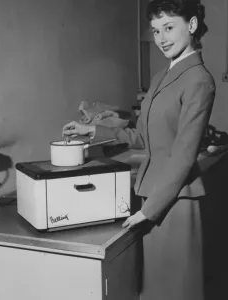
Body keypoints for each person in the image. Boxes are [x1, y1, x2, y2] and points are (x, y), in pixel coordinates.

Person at [63, 0, 215, 299]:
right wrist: (93, 130)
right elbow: (145, 136)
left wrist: (149, 209)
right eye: (156, 30)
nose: (161, 38)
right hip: (152, 193)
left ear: (193, 25)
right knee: (154, 287)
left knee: (175, 287)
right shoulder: (162, 77)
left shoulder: (199, 80)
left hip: (175, 200)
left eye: (169, 28)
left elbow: (183, 154)